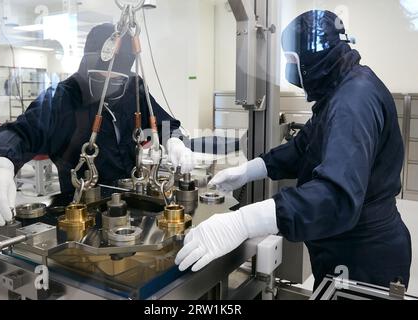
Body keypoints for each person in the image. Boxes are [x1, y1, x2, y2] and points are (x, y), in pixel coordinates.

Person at [175, 10, 412, 289]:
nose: (289, 70)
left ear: (312, 56)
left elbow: (336, 196)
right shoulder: (341, 89)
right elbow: (304, 147)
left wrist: (243, 222)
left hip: (364, 257)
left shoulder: (353, 100)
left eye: (291, 60)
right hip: (342, 247)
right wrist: (249, 170)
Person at [0, 23, 193, 228]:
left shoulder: (133, 90)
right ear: (86, 65)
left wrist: (174, 140)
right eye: (99, 78)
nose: (108, 86)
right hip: (80, 208)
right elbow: (19, 133)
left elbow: (163, 122)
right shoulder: (61, 97)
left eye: (115, 80)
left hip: (131, 200)